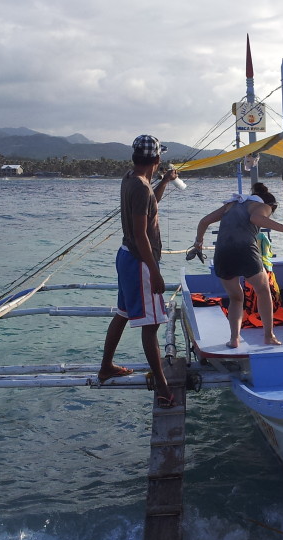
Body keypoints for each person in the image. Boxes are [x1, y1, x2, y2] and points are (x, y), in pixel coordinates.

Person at [99, 134, 179, 408]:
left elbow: (149, 208)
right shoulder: (141, 188)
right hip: (140, 262)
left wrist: (165, 182)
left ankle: (106, 365)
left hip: (126, 257)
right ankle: (162, 386)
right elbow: (140, 233)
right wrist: (154, 271)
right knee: (152, 325)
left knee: (122, 314)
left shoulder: (131, 179)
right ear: (156, 160)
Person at [194, 186, 283, 348]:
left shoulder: (232, 204)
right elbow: (256, 219)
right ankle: (268, 335)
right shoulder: (263, 206)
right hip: (245, 251)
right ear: (270, 205)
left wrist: (198, 243)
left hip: (222, 253)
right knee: (263, 290)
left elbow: (204, 221)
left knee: (236, 297)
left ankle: (234, 339)